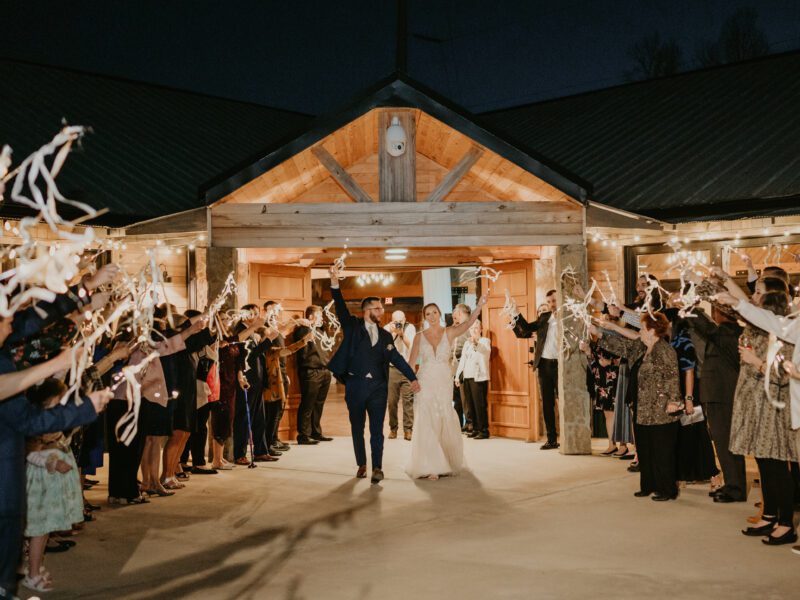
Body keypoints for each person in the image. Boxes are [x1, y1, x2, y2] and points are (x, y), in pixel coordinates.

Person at [327, 265, 419, 484]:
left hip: (378, 388)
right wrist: (334, 281)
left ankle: (377, 467)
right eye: (377, 308)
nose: (381, 311)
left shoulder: (387, 336)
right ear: (367, 310)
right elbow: (339, 305)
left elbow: (397, 358)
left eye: (380, 308)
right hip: (355, 387)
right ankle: (362, 464)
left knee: (377, 430)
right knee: (357, 428)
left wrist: (413, 377)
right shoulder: (352, 326)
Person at [592, 313, 682, 501]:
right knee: (645, 449)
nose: (639, 331)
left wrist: (674, 400)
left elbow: (673, 376)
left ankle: (667, 489)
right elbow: (622, 346)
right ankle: (648, 486)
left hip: (661, 409)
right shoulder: (642, 347)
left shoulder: (665, 350)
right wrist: (599, 334)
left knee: (662, 452)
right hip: (642, 408)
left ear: (651, 330)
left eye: (642, 328)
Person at [406, 294, 487, 480]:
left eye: (434, 312)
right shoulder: (419, 337)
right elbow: (410, 363)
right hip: (425, 380)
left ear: (440, 314)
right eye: (428, 313)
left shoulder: (449, 332)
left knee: (442, 416)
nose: (432, 316)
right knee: (427, 418)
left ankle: (445, 460)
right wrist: (412, 380)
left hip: (443, 380)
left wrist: (480, 306)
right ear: (424, 317)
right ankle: (431, 465)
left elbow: (467, 324)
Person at [22, 379, 87, 594]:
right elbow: (31, 452)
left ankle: (36, 566)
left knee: (46, 529)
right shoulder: (37, 423)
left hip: (52, 483)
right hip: (41, 483)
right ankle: (32, 574)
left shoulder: (55, 420)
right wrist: (52, 462)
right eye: (58, 400)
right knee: (39, 529)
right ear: (46, 401)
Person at [685, 306, 745, 503]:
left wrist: (689, 307)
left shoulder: (727, 331)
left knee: (726, 441)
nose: (713, 315)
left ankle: (735, 488)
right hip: (720, 394)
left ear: (722, 314)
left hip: (723, 394)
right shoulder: (727, 331)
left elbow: (706, 327)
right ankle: (732, 484)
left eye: (716, 311)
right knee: (724, 442)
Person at [511, 289, 560, 449]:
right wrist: (516, 313)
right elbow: (525, 328)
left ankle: (567, 437)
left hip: (561, 365)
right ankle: (552, 439)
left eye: (554, 300)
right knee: (547, 403)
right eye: (550, 302)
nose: (553, 304)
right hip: (544, 365)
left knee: (563, 403)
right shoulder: (545, 317)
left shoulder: (568, 318)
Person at [295, 305, 333, 444]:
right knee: (308, 404)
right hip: (311, 371)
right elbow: (302, 350)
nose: (322, 318)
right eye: (319, 315)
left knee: (319, 404)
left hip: (324, 371)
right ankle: (303, 435)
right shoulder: (303, 330)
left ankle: (316, 432)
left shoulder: (321, 331)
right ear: (311, 316)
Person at [579, 338, 621, 455]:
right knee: (608, 414)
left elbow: (625, 360)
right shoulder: (598, 343)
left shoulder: (618, 338)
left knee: (620, 413)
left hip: (616, 379)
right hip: (601, 382)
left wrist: (610, 362)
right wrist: (587, 351)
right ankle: (611, 445)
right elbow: (593, 363)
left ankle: (623, 446)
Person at [455, 320, 491, 439]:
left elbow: (485, 351)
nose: (474, 330)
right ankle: (475, 428)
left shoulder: (485, 341)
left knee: (479, 405)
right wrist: (457, 375)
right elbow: (463, 361)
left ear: (481, 329)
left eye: (476, 328)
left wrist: (476, 343)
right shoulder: (467, 343)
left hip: (479, 378)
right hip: (467, 377)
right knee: (471, 405)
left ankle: (484, 430)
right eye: (471, 328)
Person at [384, 310, 416, 440]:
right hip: (392, 369)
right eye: (396, 321)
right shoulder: (386, 328)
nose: (398, 323)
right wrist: (391, 334)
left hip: (407, 368)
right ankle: (393, 429)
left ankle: (408, 430)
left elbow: (412, 347)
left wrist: (402, 335)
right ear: (392, 320)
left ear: (405, 319)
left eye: (401, 321)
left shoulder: (410, 328)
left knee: (408, 400)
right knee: (392, 401)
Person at [450, 304, 472, 432]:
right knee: (456, 397)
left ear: (462, 313)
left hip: (464, 363)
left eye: (456, 314)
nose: (454, 316)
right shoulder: (455, 328)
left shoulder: (469, 326)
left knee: (465, 396)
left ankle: (470, 422)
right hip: (453, 365)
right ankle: (459, 423)